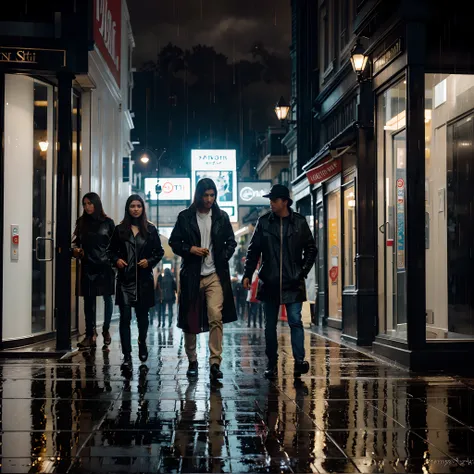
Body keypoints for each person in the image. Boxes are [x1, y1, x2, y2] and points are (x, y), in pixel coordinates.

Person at [242, 184, 317, 379]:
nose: (271, 203)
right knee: (269, 326)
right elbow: (253, 251)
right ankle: (272, 363)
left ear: (284, 201)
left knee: (295, 321)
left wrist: (302, 271)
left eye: (274, 200)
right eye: (270, 200)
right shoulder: (264, 222)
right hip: (270, 280)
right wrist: (248, 274)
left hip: (293, 281)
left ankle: (299, 362)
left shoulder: (299, 223)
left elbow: (311, 249)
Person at [169, 178, 237, 381]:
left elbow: (231, 242)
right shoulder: (185, 217)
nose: (209, 199)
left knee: (216, 315)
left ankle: (215, 362)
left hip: (215, 275)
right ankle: (192, 360)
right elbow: (174, 242)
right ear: (198, 195)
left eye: (212, 195)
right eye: (205, 195)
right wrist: (191, 249)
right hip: (192, 275)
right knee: (190, 319)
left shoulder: (221, 217)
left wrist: (222, 256)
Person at [107, 194, 164, 367]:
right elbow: (110, 251)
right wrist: (116, 260)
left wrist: (150, 261)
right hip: (125, 280)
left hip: (144, 280)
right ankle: (127, 355)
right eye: (133, 206)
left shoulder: (151, 230)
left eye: (139, 206)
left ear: (143, 208)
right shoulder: (119, 230)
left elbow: (159, 252)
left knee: (143, 318)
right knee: (124, 318)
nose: (136, 209)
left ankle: (142, 343)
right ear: (128, 208)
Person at [72, 192, 115, 349]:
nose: (87, 206)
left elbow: (115, 245)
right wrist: (75, 251)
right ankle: (90, 334)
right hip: (88, 265)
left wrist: (114, 262)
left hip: (105, 266)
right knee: (88, 301)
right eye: (84, 204)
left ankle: (105, 329)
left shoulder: (108, 223)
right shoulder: (81, 222)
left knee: (107, 298)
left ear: (96, 204)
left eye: (90, 203)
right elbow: (74, 243)